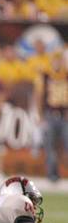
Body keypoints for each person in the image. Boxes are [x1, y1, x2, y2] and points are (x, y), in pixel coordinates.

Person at [36, 51, 67, 182]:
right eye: (55, 61)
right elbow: (39, 96)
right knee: (50, 146)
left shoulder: (66, 76)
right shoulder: (45, 76)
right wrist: (40, 115)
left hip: (65, 115)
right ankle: (52, 174)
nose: (57, 63)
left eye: (59, 61)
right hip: (49, 114)